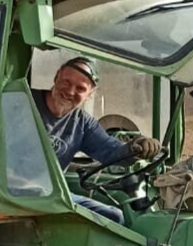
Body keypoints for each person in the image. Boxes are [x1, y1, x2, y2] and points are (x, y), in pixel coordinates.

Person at [34, 57, 160, 225]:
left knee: (114, 218)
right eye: (66, 82)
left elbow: (110, 151)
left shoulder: (82, 123)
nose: (70, 91)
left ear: (90, 94)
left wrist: (135, 147)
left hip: (52, 195)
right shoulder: (23, 101)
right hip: (8, 191)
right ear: (56, 77)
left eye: (80, 88)